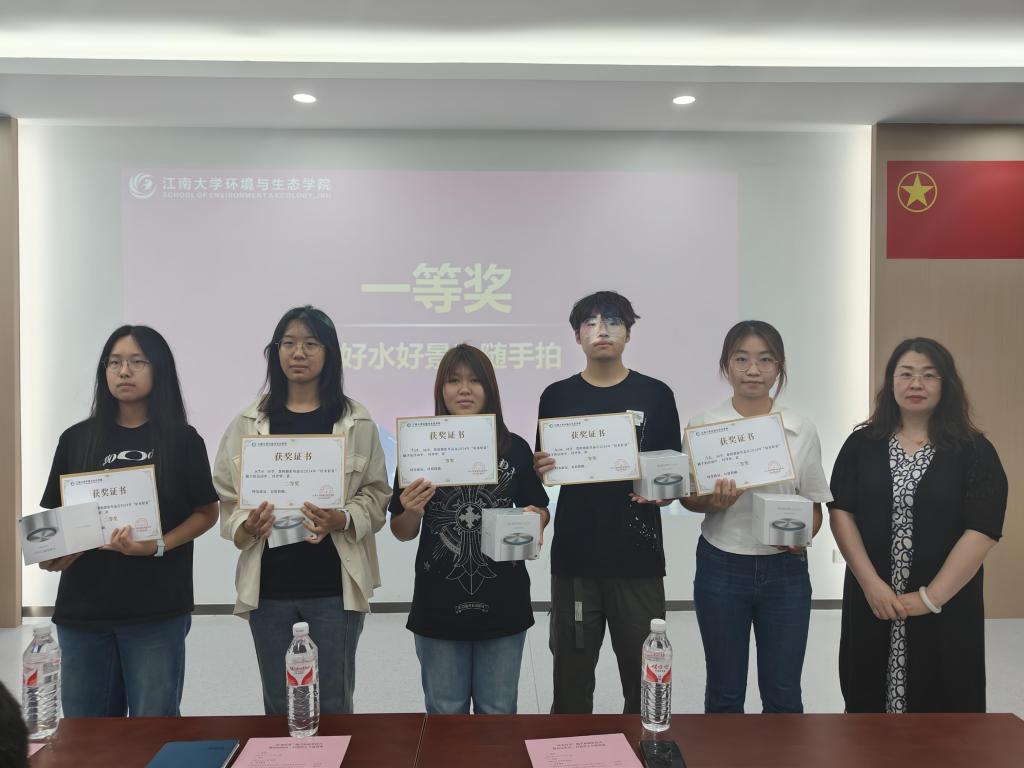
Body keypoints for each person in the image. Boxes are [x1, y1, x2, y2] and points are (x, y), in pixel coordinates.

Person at [214, 306, 389, 716]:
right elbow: (227, 494)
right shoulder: (249, 422)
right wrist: (248, 524)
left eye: (311, 343)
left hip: (334, 587)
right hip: (269, 588)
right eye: (288, 343)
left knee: (334, 702)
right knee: (280, 706)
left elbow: (377, 494)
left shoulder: (355, 420)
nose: (298, 352)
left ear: (330, 353)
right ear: (275, 351)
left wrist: (342, 518)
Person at [38, 325, 219, 717]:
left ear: (159, 370)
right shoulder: (76, 439)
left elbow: (207, 511)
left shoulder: (182, 439)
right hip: (83, 610)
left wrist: (156, 545)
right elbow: (54, 520)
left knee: (153, 729)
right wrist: (53, 553)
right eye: (115, 362)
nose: (124, 371)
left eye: (138, 362)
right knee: (86, 733)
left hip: (156, 610)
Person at [829, 337, 1006, 713]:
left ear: (946, 384)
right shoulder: (861, 444)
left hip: (947, 605)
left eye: (929, 375)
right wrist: (871, 584)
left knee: (946, 705)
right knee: (866, 701)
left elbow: (982, 529)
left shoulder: (974, 450)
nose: (916, 384)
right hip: (872, 600)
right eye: (906, 374)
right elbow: (841, 511)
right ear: (891, 382)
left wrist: (931, 598)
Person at [533, 290, 681, 714]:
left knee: (644, 681)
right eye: (591, 323)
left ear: (628, 333)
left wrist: (663, 490)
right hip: (576, 560)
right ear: (577, 335)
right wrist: (539, 466)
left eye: (613, 321)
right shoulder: (556, 396)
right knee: (572, 682)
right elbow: (545, 467)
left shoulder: (655, 394)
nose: (602, 330)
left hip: (639, 558)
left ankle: (645, 745)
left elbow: (671, 473)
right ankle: (571, 748)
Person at [389, 344, 550, 714]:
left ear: (489, 389)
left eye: (475, 380)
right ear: (440, 389)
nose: (464, 389)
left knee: (498, 711)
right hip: (438, 604)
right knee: (445, 713)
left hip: (505, 601)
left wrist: (535, 519)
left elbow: (539, 508)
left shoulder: (515, 448)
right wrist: (411, 511)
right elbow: (402, 530)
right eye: (454, 380)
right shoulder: (420, 447)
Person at [681, 321, 831, 713]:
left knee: (783, 692)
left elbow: (814, 505)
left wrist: (802, 536)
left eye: (765, 360)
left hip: (786, 570)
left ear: (779, 366)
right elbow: (689, 498)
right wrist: (713, 503)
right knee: (725, 690)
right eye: (741, 359)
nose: (753, 370)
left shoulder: (800, 428)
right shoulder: (703, 427)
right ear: (726, 365)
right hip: (721, 563)